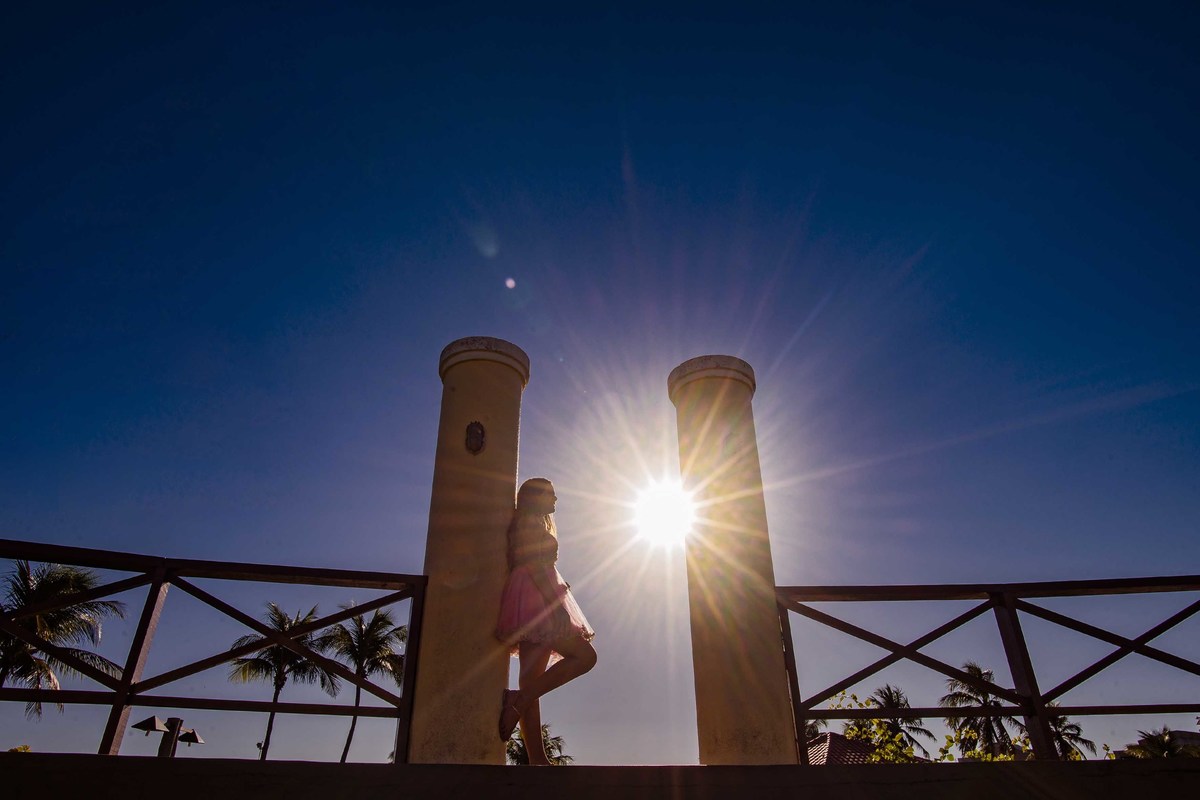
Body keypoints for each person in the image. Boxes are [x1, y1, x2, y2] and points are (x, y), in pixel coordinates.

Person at [495, 477, 596, 765]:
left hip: (531, 594)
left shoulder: (530, 523)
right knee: (585, 657)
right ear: (535, 497)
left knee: (530, 679)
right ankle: (520, 702)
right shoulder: (529, 524)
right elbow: (537, 567)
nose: (555, 500)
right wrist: (557, 607)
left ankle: (537, 757)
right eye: (550, 495)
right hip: (536, 596)